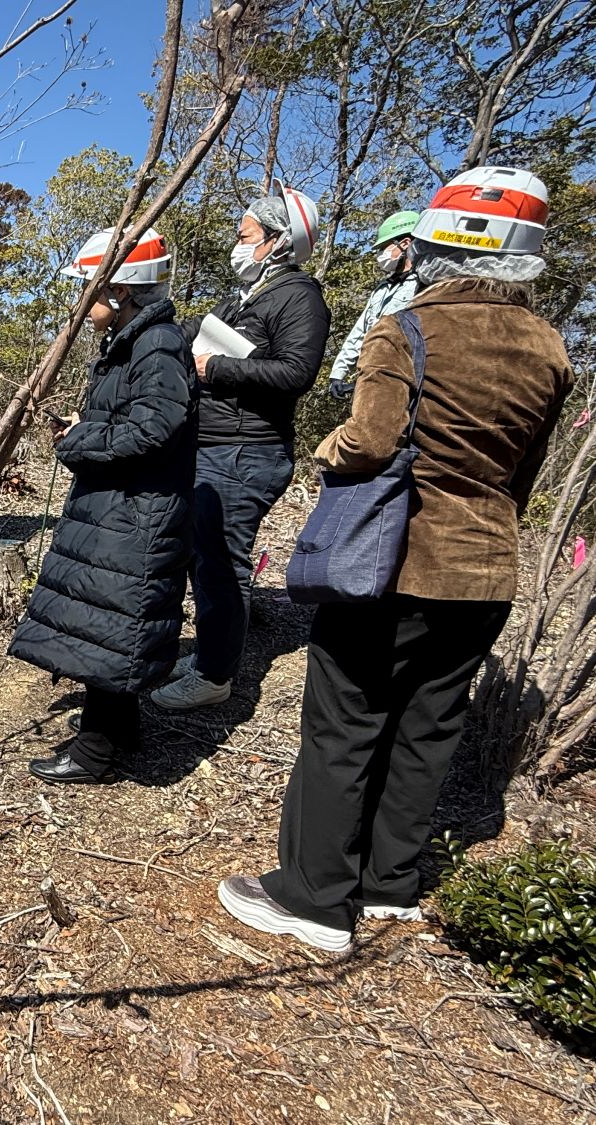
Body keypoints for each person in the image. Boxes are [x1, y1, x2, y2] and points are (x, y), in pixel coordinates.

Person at [218, 167, 573, 951]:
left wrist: (325, 446)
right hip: (486, 568)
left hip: (395, 561)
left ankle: (311, 897)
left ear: (434, 245)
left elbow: (370, 442)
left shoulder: (407, 327)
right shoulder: (550, 348)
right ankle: (389, 884)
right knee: (428, 724)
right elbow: (526, 472)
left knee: (345, 720)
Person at [8, 228, 197, 784]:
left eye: (89, 289)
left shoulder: (155, 344)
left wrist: (80, 440)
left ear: (122, 290)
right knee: (111, 620)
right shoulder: (134, 340)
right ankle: (122, 730)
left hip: (137, 512)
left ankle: (94, 753)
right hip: (123, 504)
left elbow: (154, 427)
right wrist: (85, 427)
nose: (81, 301)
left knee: (113, 623)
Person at [151, 188, 331, 711]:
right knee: (201, 558)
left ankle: (214, 676)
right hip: (213, 446)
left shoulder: (298, 296)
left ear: (276, 241)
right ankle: (213, 651)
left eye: (245, 235)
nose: (237, 243)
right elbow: (193, 331)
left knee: (222, 564)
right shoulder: (245, 295)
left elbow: (297, 373)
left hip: (247, 452)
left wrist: (218, 369)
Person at [326, 210, 420, 400]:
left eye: (385, 247)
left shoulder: (422, 286)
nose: (380, 254)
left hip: (402, 380)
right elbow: (360, 331)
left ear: (405, 243)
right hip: (370, 375)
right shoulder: (382, 288)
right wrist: (338, 373)